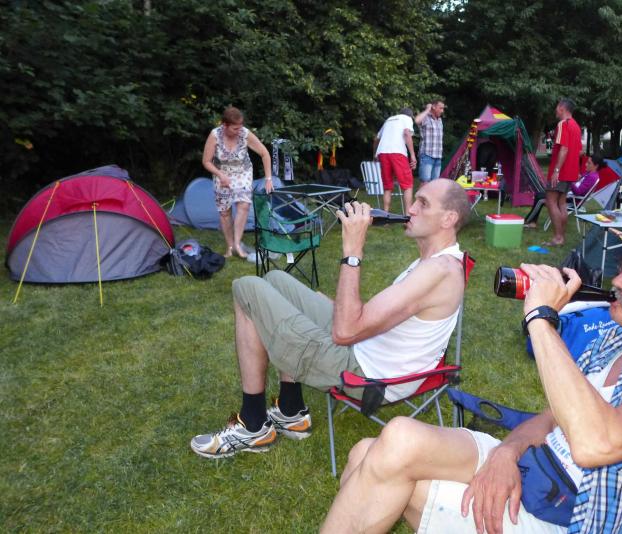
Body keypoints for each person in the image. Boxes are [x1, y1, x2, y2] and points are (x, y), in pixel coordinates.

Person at [321, 221, 622, 534]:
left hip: (577, 512)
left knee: (384, 473)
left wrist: (541, 318)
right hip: (537, 465)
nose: (616, 281)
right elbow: (557, 416)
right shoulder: (617, 336)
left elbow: (596, 443)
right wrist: (507, 451)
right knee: (385, 442)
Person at [190, 178, 472, 459]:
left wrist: (353, 252)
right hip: (368, 346)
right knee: (276, 279)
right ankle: (291, 411)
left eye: (423, 204)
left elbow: (345, 331)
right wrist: (331, 308)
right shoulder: (436, 263)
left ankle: (253, 426)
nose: (410, 209)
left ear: (448, 218)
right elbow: (374, 320)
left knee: (246, 287)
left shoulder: (438, 271)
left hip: (368, 375)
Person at [202, 106, 273, 259]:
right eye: (235, 128)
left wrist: (268, 178)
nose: (239, 130)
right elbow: (206, 161)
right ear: (224, 125)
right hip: (221, 173)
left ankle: (237, 244)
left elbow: (264, 153)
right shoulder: (215, 135)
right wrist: (220, 175)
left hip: (242, 172)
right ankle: (230, 247)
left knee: (244, 205)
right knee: (224, 212)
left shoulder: (245, 134)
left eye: (240, 126)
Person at [525, 154, 604, 229]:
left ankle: (529, 221)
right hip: (568, 195)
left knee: (540, 198)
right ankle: (532, 222)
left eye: (589, 163)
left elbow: (578, 191)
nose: (586, 164)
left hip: (572, 200)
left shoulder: (592, 177)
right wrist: (575, 179)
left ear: (596, 166)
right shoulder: (588, 174)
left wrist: (570, 181)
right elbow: (578, 184)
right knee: (540, 195)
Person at [543, 99, 582, 246]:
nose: (555, 110)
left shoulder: (563, 124)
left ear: (561, 108)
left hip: (561, 171)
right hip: (570, 172)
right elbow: (579, 151)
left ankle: (558, 237)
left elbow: (564, 148)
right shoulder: (576, 126)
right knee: (561, 203)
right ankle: (561, 237)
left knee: (551, 201)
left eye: (556, 107)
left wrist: (556, 171)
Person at [374, 108, 417, 213]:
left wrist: (375, 154)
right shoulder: (407, 119)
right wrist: (412, 155)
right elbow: (406, 133)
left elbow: (376, 138)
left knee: (387, 186)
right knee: (407, 185)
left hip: (382, 152)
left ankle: (385, 214)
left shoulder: (389, 120)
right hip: (397, 152)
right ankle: (408, 216)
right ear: (410, 116)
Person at [415, 99, 446, 182]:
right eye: (440, 108)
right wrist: (427, 109)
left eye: (443, 108)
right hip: (427, 155)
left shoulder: (439, 120)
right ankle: (421, 192)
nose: (442, 111)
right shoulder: (426, 118)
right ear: (434, 107)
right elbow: (417, 120)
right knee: (425, 182)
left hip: (438, 156)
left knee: (434, 183)